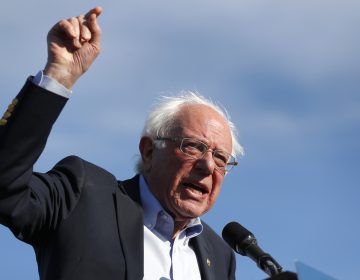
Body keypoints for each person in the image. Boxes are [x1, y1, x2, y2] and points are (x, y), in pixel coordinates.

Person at [0, 6, 243, 280]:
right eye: (193, 146)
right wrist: (57, 77)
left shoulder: (220, 257)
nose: (208, 165)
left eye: (221, 158)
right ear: (149, 151)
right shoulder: (82, 196)